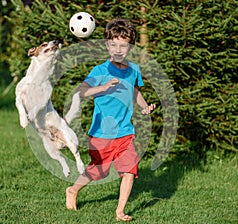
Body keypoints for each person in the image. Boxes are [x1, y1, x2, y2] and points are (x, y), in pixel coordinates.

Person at [66, 18, 156, 222]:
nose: (118, 49)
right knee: (98, 172)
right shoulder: (99, 71)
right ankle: (73, 190)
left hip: (125, 131)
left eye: (123, 45)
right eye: (113, 44)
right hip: (101, 133)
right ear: (107, 45)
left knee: (129, 170)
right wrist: (102, 88)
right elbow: (81, 92)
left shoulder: (134, 70)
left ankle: (120, 212)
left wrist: (145, 107)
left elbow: (135, 91)